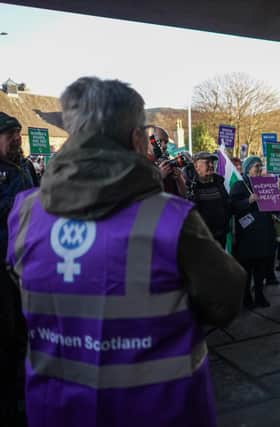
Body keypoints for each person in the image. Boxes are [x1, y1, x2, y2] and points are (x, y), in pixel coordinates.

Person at [5, 77, 245, 427]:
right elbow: (226, 299)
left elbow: (21, 290)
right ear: (136, 139)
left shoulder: (25, 213)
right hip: (162, 411)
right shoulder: (170, 219)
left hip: (55, 411)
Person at [0, 112, 35, 426]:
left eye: (17, 133)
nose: (15, 138)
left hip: (27, 266)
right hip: (2, 270)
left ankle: (24, 397)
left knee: (25, 333)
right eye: (8, 134)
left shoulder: (23, 168)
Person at [230, 156, 276, 308]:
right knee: (247, 268)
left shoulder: (265, 183)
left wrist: (277, 197)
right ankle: (246, 297)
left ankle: (259, 295)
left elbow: (274, 206)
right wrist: (248, 201)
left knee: (261, 267)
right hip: (248, 235)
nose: (258, 168)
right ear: (248, 168)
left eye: (260, 166)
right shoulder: (240, 185)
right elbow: (233, 206)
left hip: (263, 232)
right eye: (256, 166)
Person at [188, 151, 232, 248]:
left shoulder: (219, 182)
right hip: (201, 237)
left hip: (220, 236)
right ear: (196, 166)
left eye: (212, 162)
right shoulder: (190, 185)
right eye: (207, 162)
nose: (211, 165)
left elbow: (227, 205)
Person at [144, 125, 186, 197]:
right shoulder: (141, 165)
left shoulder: (168, 163)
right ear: (147, 141)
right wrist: (159, 176)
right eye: (159, 141)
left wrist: (179, 178)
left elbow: (184, 194)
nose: (164, 146)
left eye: (166, 142)